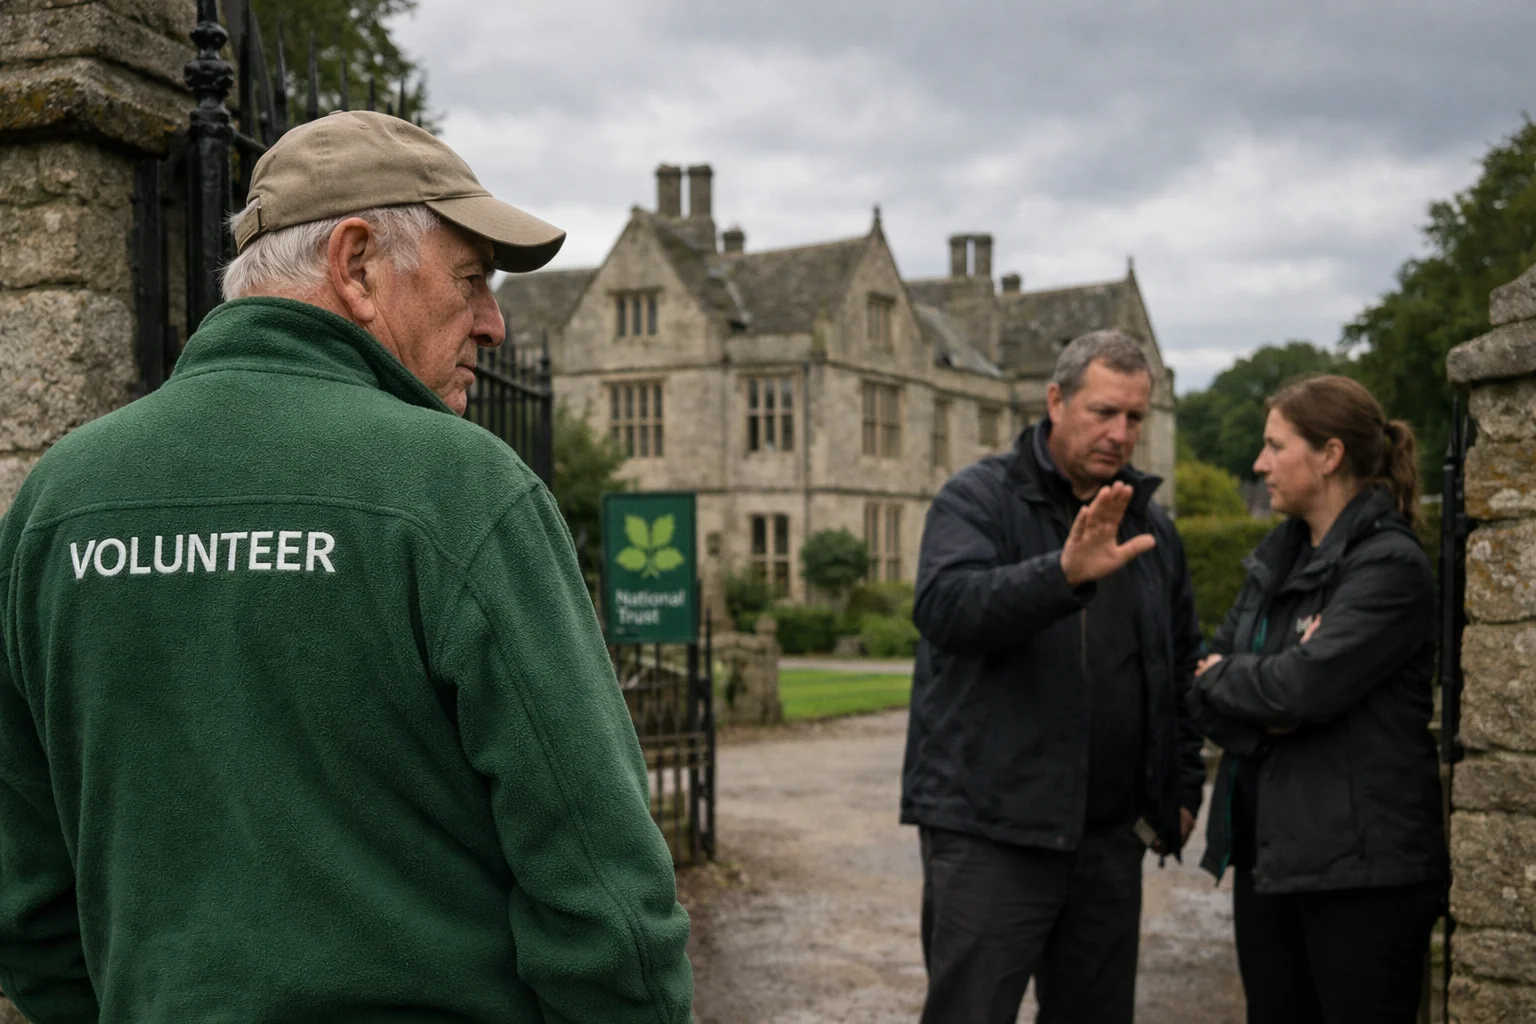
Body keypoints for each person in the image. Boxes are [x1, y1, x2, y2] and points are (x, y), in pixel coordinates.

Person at [0, 111, 694, 1022]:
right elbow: (605, 898)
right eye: (472, 279)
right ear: (358, 264)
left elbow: (23, 886)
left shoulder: (59, 500)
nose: (492, 323)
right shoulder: (460, 487)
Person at [902, 330, 1206, 1024]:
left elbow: (1177, 664)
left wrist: (1181, 784)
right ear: (1055, 401)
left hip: (1106, 840)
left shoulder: (1150, 527)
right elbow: (945, 608)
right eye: (1103, 412)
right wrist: (1061, 574)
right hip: (992, 831)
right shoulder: (977, 499)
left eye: (1135, 417)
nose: (1120, 433)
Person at [1189, 374, 1447, 1024]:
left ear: (1329, 455)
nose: (1260, 463)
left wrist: (1262, 690)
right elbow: (1207, 684)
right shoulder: (1275, 558)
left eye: (1276, 445)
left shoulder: (1388, 567)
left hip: (1361, 878)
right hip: (1272, 862)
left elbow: (1300, 688)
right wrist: (1262, 697)